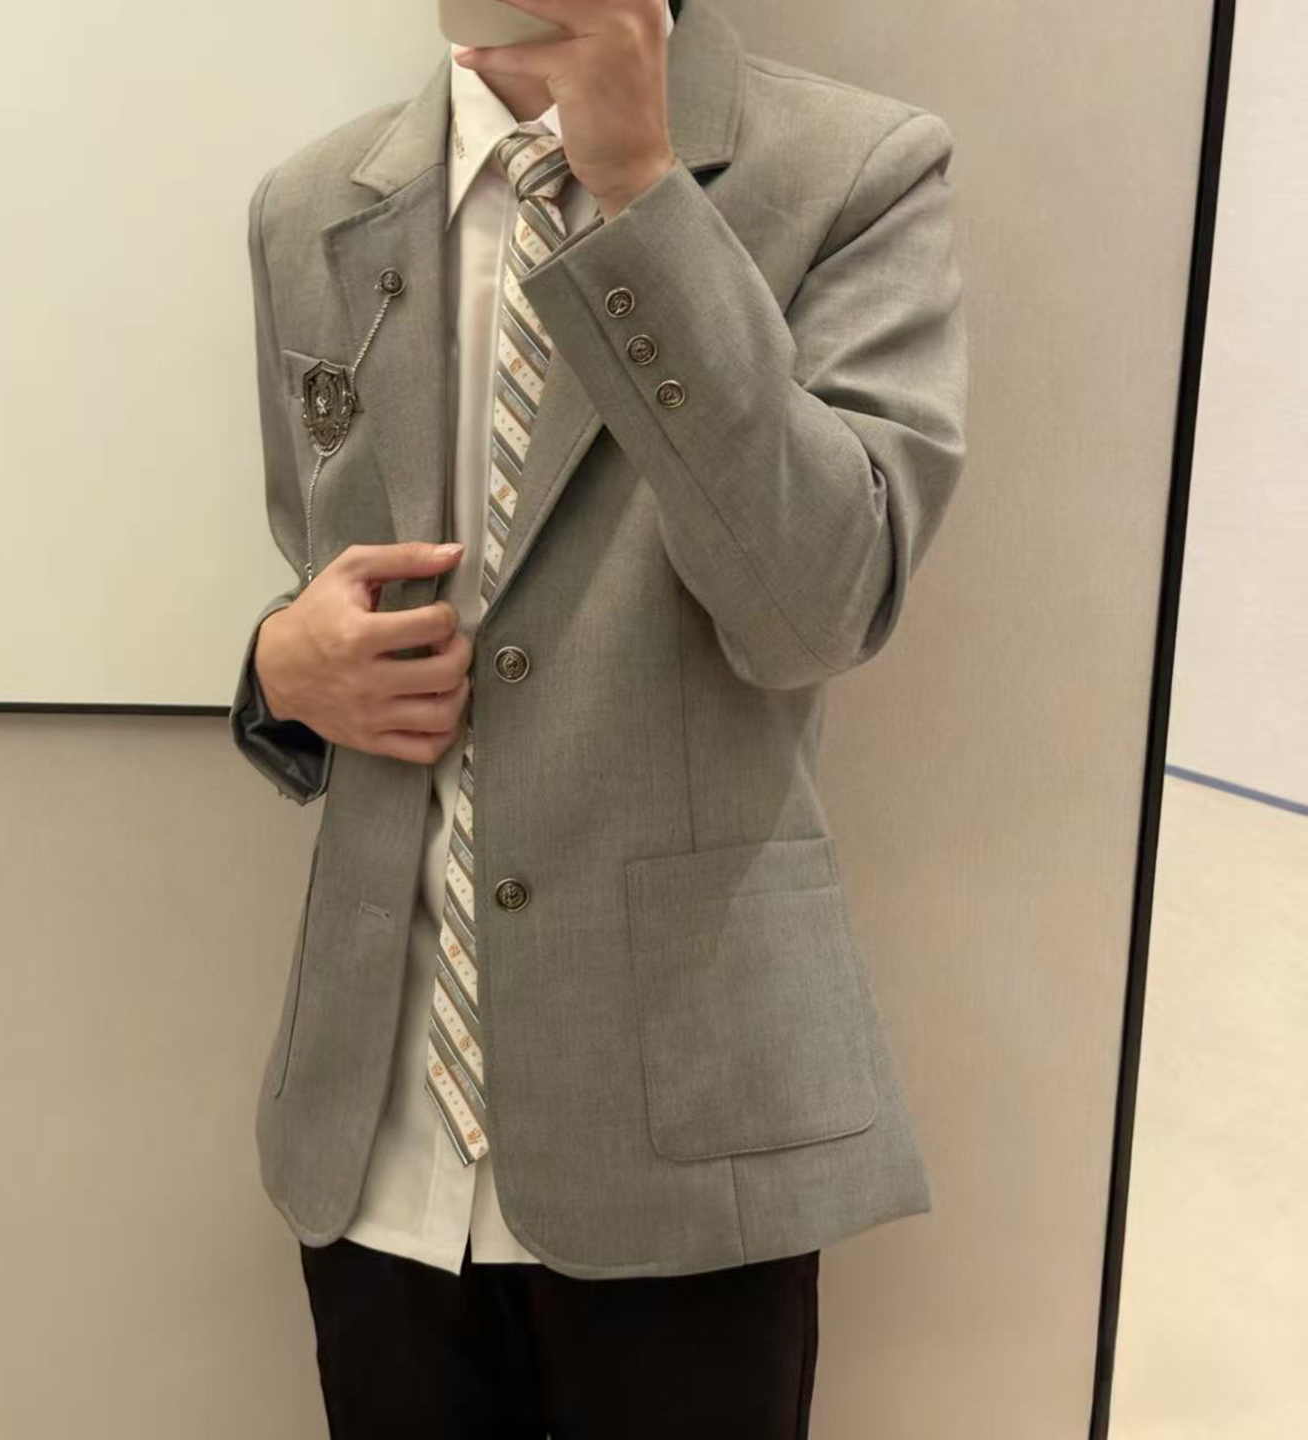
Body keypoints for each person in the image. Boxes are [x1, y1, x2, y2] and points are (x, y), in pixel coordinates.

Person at [228, 0, 967, 1433]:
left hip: (688, 1129)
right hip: (375, 1132)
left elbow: (817, 607)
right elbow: (321, 580)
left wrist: (640, 195)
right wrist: (279, 671)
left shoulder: (855, 170)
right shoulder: (309, 208)